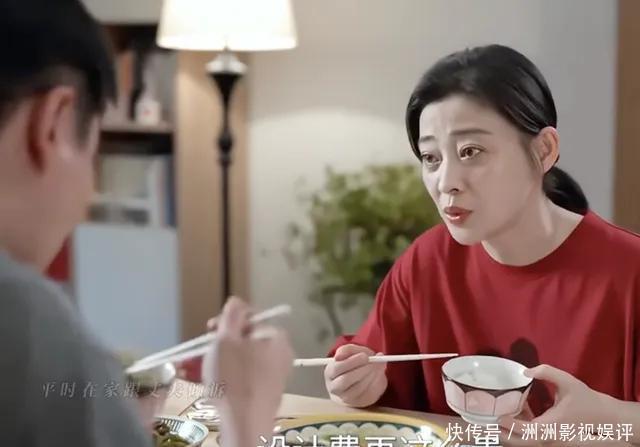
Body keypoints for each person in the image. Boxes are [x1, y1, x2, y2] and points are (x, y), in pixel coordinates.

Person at [0, 0, 292, 445]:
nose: (88, 192)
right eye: (96, 151)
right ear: (54, 122)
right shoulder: (27, 327)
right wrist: (245, 417)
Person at [324, 44, 639, 442]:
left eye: (470, 152)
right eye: (431, 158)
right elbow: (372, 372)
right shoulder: (427, 262)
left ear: (544, 151)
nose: (446, 182)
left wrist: (610, 417)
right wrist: (355, 385)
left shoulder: (630, 272)